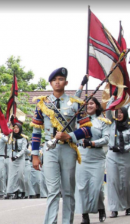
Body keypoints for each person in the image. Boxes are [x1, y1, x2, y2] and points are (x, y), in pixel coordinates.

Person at [30, 68, 92, 224]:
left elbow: (87, 129)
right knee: (52, 191)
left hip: (68, 149)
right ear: (50, 83)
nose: (58, 82)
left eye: (61, 79)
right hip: (50, 150)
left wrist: (70, 135)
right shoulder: (42, 104)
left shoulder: (75, 103)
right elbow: (36, 131)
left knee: (68, 191)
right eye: (54, 80)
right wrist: (35, 155)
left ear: (66, 82)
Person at [75, 76, 109, 224]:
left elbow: (106, 139)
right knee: (82, 188)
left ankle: (101, 208)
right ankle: (85, 215)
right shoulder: (79, 121)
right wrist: (81, 86)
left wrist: (93, 143)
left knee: (96, 188)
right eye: (87, 103)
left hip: (97, 159)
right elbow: (74, 102)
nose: (89, 106)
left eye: (91, 103)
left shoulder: (103, 121)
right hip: (82, 158)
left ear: (96, 106)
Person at [105, 90, 130, 218]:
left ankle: (128, 206)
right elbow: (108, 110)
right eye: (118, 112)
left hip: (126, 155)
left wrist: (124, 148)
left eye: (122, 112)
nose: (119, 114)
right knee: (113, 181)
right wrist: (113, 96)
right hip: (112, 156)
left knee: (126, 182)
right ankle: (114, 208)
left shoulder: (129, 126)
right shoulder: (112, 123)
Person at [6, 123, 27, 199]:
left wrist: (17, 156)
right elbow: (8, 147)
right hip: (12, 157)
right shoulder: (11, 137)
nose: (16, 129)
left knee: (20, 175)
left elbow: (24, 149)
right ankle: (11, 191)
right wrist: (11, 156)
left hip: (20, 157)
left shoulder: (23, 138)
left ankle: (22, 190)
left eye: (17, 128)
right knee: (12, 175)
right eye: (14, 127)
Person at [0, 130, 8, 199]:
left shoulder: (2, 136)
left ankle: (2, 192)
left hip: (0, 157)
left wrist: (0, 135)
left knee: (0, 175)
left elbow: (6, 140)